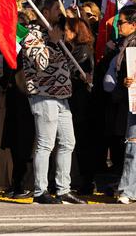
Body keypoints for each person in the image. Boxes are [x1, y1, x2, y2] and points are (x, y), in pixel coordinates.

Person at [21, 0, 84, 204]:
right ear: (45, 12)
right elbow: (41, 63)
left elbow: (66, 62)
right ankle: (40, 190)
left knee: (68, 142)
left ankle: (63, 188)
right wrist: (53, 43)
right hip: (43, 96)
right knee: (45, 144)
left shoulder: (57, 32)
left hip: (63, 96)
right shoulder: (32, 35)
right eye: (57, 8)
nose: (62, 12)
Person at [64, 17, 96, 194]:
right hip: (76, 101)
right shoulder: (73, 49)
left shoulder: (82, 51)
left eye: (68, 30)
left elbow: (70, 72)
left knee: (82, 143)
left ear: (76, 32)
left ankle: (86, 180)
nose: (65, 33)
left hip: (80, 103)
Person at [110, 7, 136, 203]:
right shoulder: (123, 44)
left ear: (133, 25)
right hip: (131, 99)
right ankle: (128, 189)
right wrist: (127, 82)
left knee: (132, 147)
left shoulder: (131, 44)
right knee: (132, 146)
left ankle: (127, 190)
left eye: (121, 23)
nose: (117, 26)